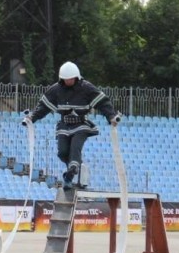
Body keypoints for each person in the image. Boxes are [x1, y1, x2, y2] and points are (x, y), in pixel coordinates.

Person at [22, 61, 121, 189]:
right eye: (66, 79)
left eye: (71, 79)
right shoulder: (56, 90)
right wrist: (31, 118)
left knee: (75, 147)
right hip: (64, 124)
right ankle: (72, 169)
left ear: (76, 77)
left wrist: (111, 116)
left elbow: (103, 103)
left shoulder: (87, 88)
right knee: (62, 152)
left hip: (81, 124)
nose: (68, 81)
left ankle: (72, 170)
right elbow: (43, 107)